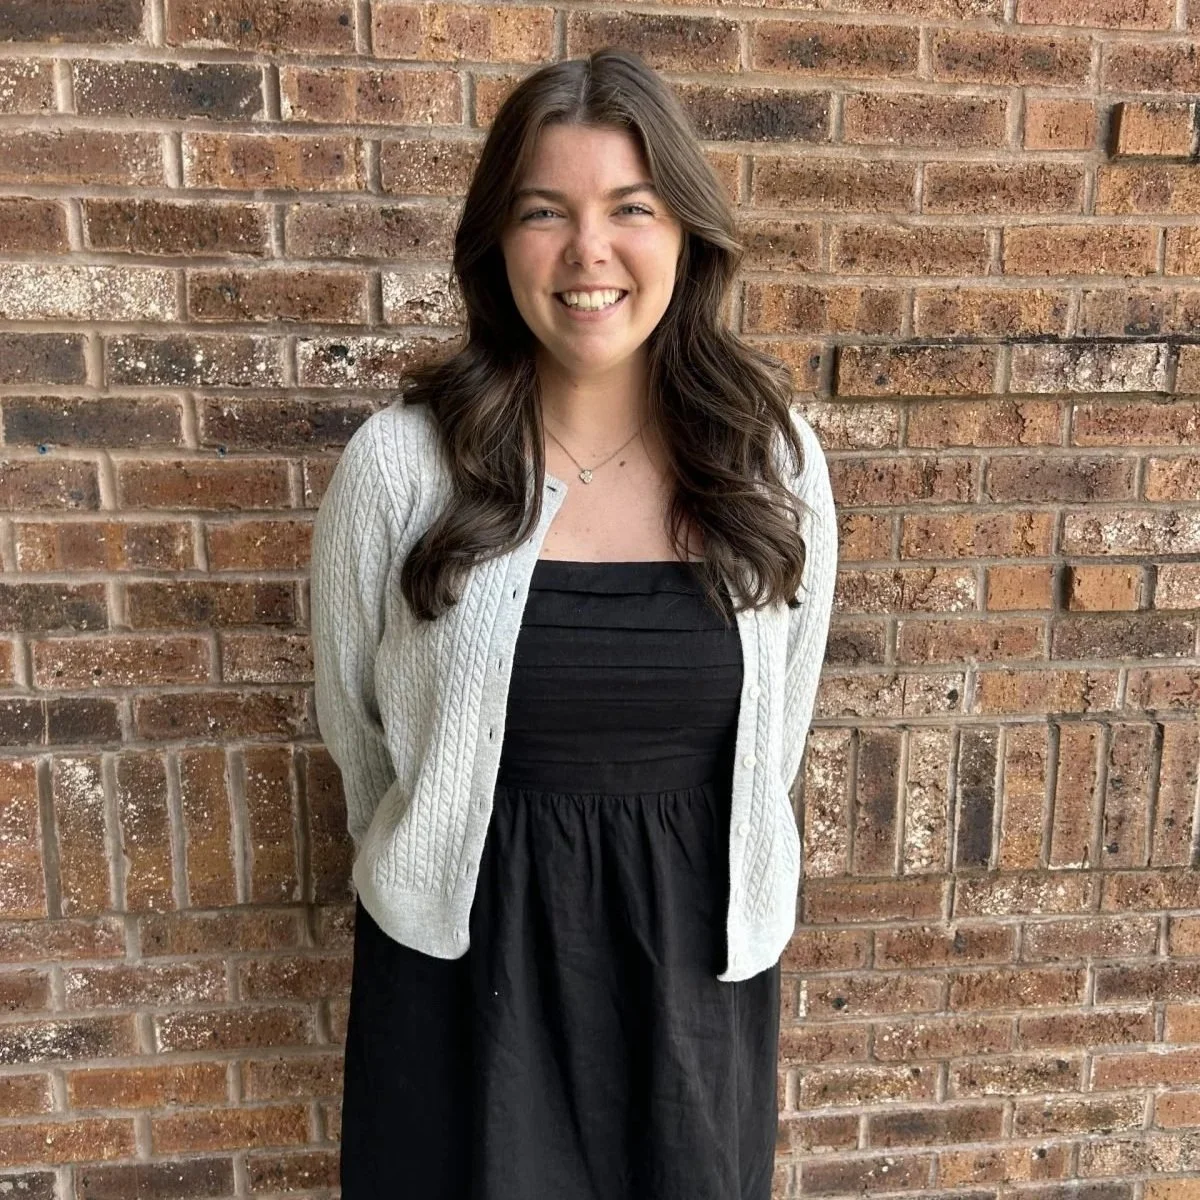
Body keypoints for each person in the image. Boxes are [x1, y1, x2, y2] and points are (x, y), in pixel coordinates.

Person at [309, 46, 838, 1200]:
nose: (588, 252)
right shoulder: (401, 470)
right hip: (460, 976)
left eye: (630, 211)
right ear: (498, 242)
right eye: (545, 212)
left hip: (691, 984)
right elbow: (356, 732)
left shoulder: (771, 464)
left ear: (685, 234)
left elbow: (780, 726)